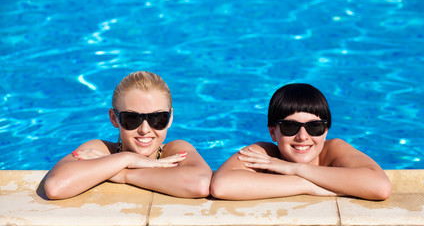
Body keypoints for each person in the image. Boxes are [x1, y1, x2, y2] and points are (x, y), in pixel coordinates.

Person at [44, 71, 212, 199]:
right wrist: (127, 159)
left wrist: (124, 174)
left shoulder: (176, 150)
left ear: (170, 118)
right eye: (132, 118)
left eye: (157, 118)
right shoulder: (99, 148)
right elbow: (55, 187)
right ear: (114, 118)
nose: (145, 129)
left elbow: (201, 184)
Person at [210, 83, 391, 200]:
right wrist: (307, 186)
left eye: (315, 127)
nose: (303, 136)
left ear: (325, 131)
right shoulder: (264, 153)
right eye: (290, 126)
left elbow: (380, 187)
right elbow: (221, 186)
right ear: (273, 132)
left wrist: (296, 169)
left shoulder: (334, 149)